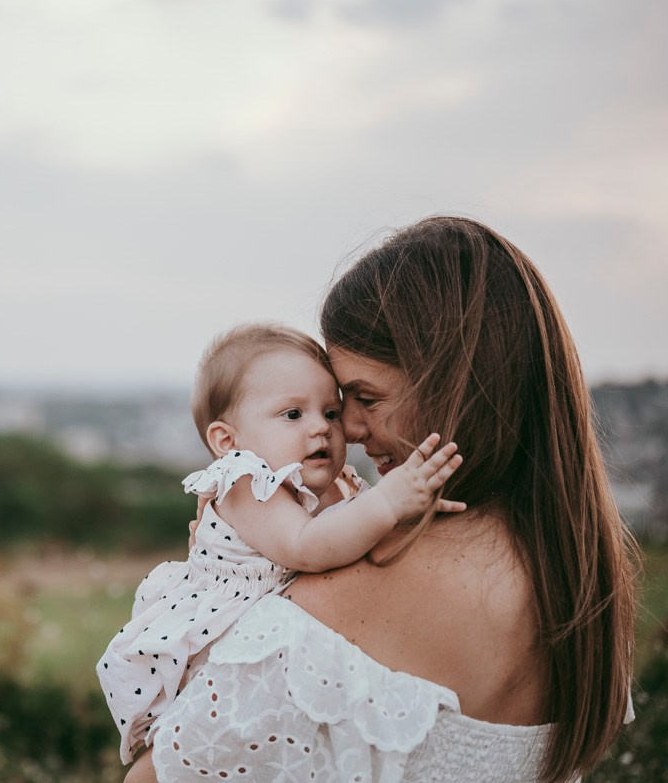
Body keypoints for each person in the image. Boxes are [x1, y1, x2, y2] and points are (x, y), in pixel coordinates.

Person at [131, 217, 638, 783]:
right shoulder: (579, 583)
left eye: (363, 398)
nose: (346, 426)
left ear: (457, 385)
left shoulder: (366, 581)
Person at [98, 323, 464, 765]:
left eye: (331, 413)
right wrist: (389, 502)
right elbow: (307, 545)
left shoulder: (339, 484)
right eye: (293, 415)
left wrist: (409, 513)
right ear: (227, 441)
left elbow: (358, 536)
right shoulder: (245, 483)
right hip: (221, 647)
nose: (321, 429)